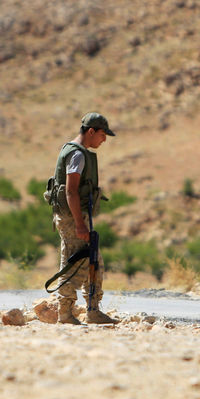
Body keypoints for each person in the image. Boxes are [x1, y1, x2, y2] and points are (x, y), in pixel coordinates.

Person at [48, 113, 118, 324]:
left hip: (77, 215)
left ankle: (93, 310)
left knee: (93, 261)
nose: (104, 139)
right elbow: (70, 191)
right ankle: (66, 313)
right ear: (91, 131)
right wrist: (79, 223)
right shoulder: (77, 154)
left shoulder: (79, 152)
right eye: (102, 134)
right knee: (75, 262)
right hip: (72, 217)